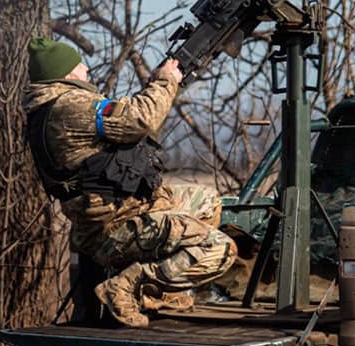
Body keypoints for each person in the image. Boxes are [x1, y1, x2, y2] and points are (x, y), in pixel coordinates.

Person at [24, 38, 237, 326]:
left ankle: (162, 291)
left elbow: (130, 130)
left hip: (124, 211)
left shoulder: (56, 108)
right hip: (112, 228)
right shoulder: (70, 105)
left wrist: (159, 85)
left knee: (207, 200)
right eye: (78, 64)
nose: (86, 68)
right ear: (65, 73)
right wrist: (164, 82)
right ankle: (127, 287)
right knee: (221, 250)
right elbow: (139, 119)